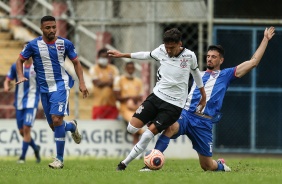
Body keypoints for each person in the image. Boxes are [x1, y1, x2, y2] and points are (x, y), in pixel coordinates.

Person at [141, 26, 276, 172]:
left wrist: (265, 39)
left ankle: (220, 166)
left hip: (203, 122)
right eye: (208, 56)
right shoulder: (197, 73)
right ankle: (152, 165)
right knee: (170, 127)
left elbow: (253, 62)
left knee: (207, 166)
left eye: (213, 57)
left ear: (221, 60)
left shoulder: (226, 75)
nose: (209, 59)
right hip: (186, 115)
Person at [108, 27, 207, 171]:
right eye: (167, 47)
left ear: (180, 44)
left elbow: (196, 74)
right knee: (131, 128)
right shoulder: (161, 50)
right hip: (156, 97)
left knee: (148, 133)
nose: (168, 51)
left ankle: (123, 164)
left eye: (172, 48)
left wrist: (203, 95)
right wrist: (122, 54)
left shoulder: (189, 56)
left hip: (174, 104)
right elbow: (145, 55)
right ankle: (153, 120)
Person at [15, 15, 89, 169]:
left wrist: (82, 83)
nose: (52, 30)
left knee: (57, 120)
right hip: (44, 89)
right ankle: (72, 127)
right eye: (48, 27)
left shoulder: (65, 43)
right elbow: (20, 60)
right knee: (55, 125)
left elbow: (76, 62)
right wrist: (21, 75)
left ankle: (59, 160)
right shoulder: (33, 45)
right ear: (41, 28)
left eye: (54, 27)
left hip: (61, 85)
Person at [3, 42, 41, 163]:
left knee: (26, 129)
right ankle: (35, 148)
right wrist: (6, 86)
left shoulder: (38, 66)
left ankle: (22, 157)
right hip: (19, 102)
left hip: (32, 102)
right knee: (21, 131)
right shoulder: (17, 66)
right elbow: (8, 79)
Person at [113, 61, 144, 145]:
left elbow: (141, 97)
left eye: (132, 68)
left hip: (136, 108)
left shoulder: (138, 81)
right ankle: (137, 148)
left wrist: (136, 99)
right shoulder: (120, 80)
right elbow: (117, 97)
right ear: (125, 69)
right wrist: (129, 97)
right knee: (134, 124)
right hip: (125, 109)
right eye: (128, 68)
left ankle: (136, 151)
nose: (130, 70)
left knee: (135, 131)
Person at [89, 48, 119, 119]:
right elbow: (97, 83)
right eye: (102, 57)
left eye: (106, 57)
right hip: (98, 104)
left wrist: (103, 82)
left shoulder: (113, 69)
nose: (104, 59)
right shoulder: (94, 69)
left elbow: (116, 82)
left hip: (112, 104)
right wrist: (110, 82)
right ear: (98, 58)